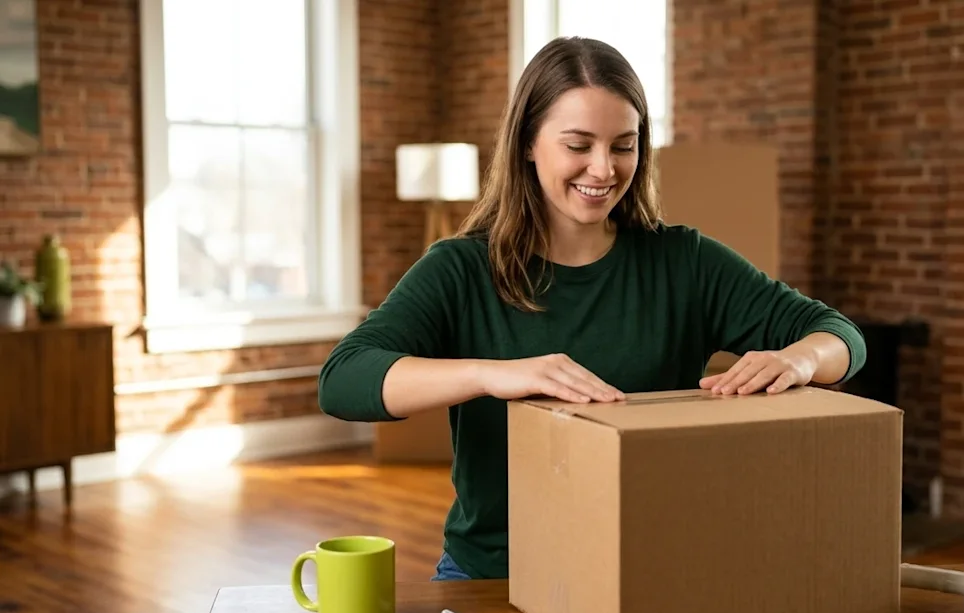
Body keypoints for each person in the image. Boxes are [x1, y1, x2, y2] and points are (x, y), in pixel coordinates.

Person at [317, 36, 867, 582]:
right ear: (529, 143)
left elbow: (839, 335)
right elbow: (343, 380)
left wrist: (800, 360)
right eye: (579, 145)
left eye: (623, 146)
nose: (603, 170)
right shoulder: (460, 269)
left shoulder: (684, 261)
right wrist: (493, 375)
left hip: (652, 565)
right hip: (498, 573)